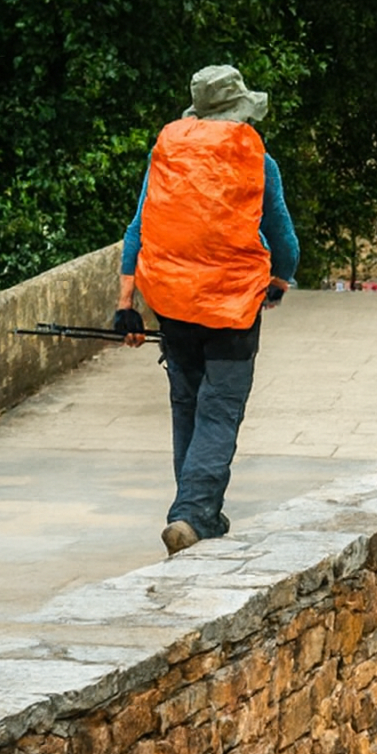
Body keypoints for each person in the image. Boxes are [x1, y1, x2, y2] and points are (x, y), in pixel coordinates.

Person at [116, 64, 299, 555]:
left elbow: (138, 228)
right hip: (232, 306)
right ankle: (193, 514)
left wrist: (126, 305)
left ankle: (195, 512)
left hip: (172, 303)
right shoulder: (258, 161)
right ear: (238, 111)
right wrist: (279, 279)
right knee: (219, 410)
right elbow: (282, 237)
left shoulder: (167, 156)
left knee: (187, 404)